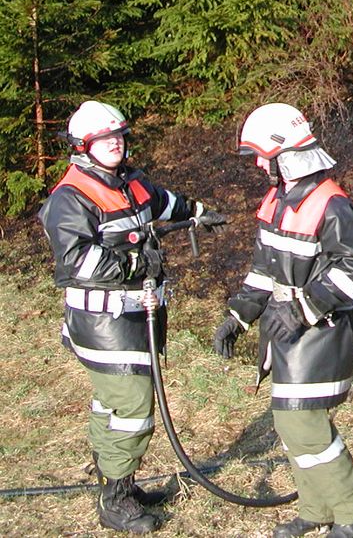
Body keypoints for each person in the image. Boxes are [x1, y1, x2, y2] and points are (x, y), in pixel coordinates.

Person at [39, 100, 221, 533]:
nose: (116, 143)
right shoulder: (72, 197)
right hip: (103, 321)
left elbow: (160, 202)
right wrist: (141, 265)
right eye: (105, 139)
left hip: (137, 314)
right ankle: (115, 500)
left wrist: (196, 212)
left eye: (119, 135)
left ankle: (118, 480)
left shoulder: (129, 181)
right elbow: (77, 263)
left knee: (113, 402)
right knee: (133, 405)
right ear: (84, 146)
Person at [212, 102, 353, 538]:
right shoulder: (277, 200)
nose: (255, 163)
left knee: (303, 424)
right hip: (282, 330)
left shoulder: (332, 204)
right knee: (291, 425)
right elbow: (263, 271)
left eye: (260, 155)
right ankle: (317, 507)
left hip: (316, 334)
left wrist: (302, 309)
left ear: (282, 153)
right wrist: (238, 316)